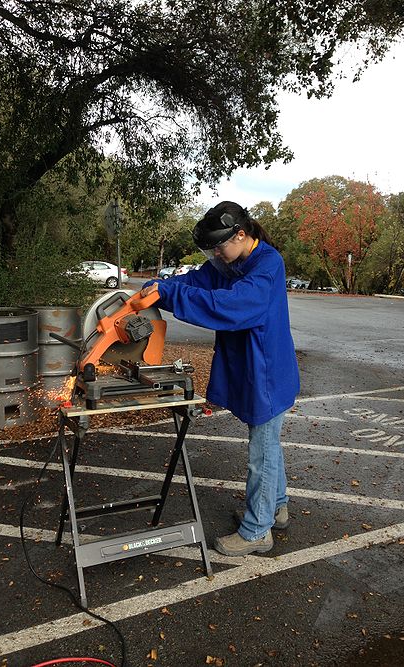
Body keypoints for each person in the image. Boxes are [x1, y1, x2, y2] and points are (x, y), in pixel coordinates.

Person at [140, 201, 299, 556]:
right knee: (269, 442)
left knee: (263, 450)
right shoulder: (234, 261)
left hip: (268, 372)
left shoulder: (267, 264)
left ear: (241, 235)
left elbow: (230, 305)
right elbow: (198, 279)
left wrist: (170, 295)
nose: (216, 253)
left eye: (219, 246)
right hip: (256, 368)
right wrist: (159, 285)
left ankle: (259, 530)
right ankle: (276, 507)